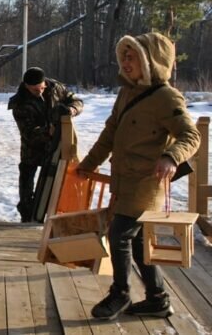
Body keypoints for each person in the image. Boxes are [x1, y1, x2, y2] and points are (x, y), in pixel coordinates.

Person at [77, 32, 200, 320]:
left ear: (152, 61)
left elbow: (190, 134)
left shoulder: (166, 97)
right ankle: (158, 299)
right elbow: (109, 133)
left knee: (119, 233)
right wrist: (88, 164)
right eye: (125, 56)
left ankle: (120, 293)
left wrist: (171, 157)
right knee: (137, 241)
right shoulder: (127, 93)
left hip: (147, 182)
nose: (126, 61)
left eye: (133, 56)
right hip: (124, 178)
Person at [7, 66, 83, 222]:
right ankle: (27, 214)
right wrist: (48, 131)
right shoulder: (19, 103)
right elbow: (28, 133)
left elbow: (76, 100)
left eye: (41, 87)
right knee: (27, 179)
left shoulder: (55, 87)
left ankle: (50, 213)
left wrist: (71, 110)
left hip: (56, 149)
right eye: (35, 90)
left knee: (54, 182)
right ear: (26, 86)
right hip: (32, 149)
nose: (39, 91)